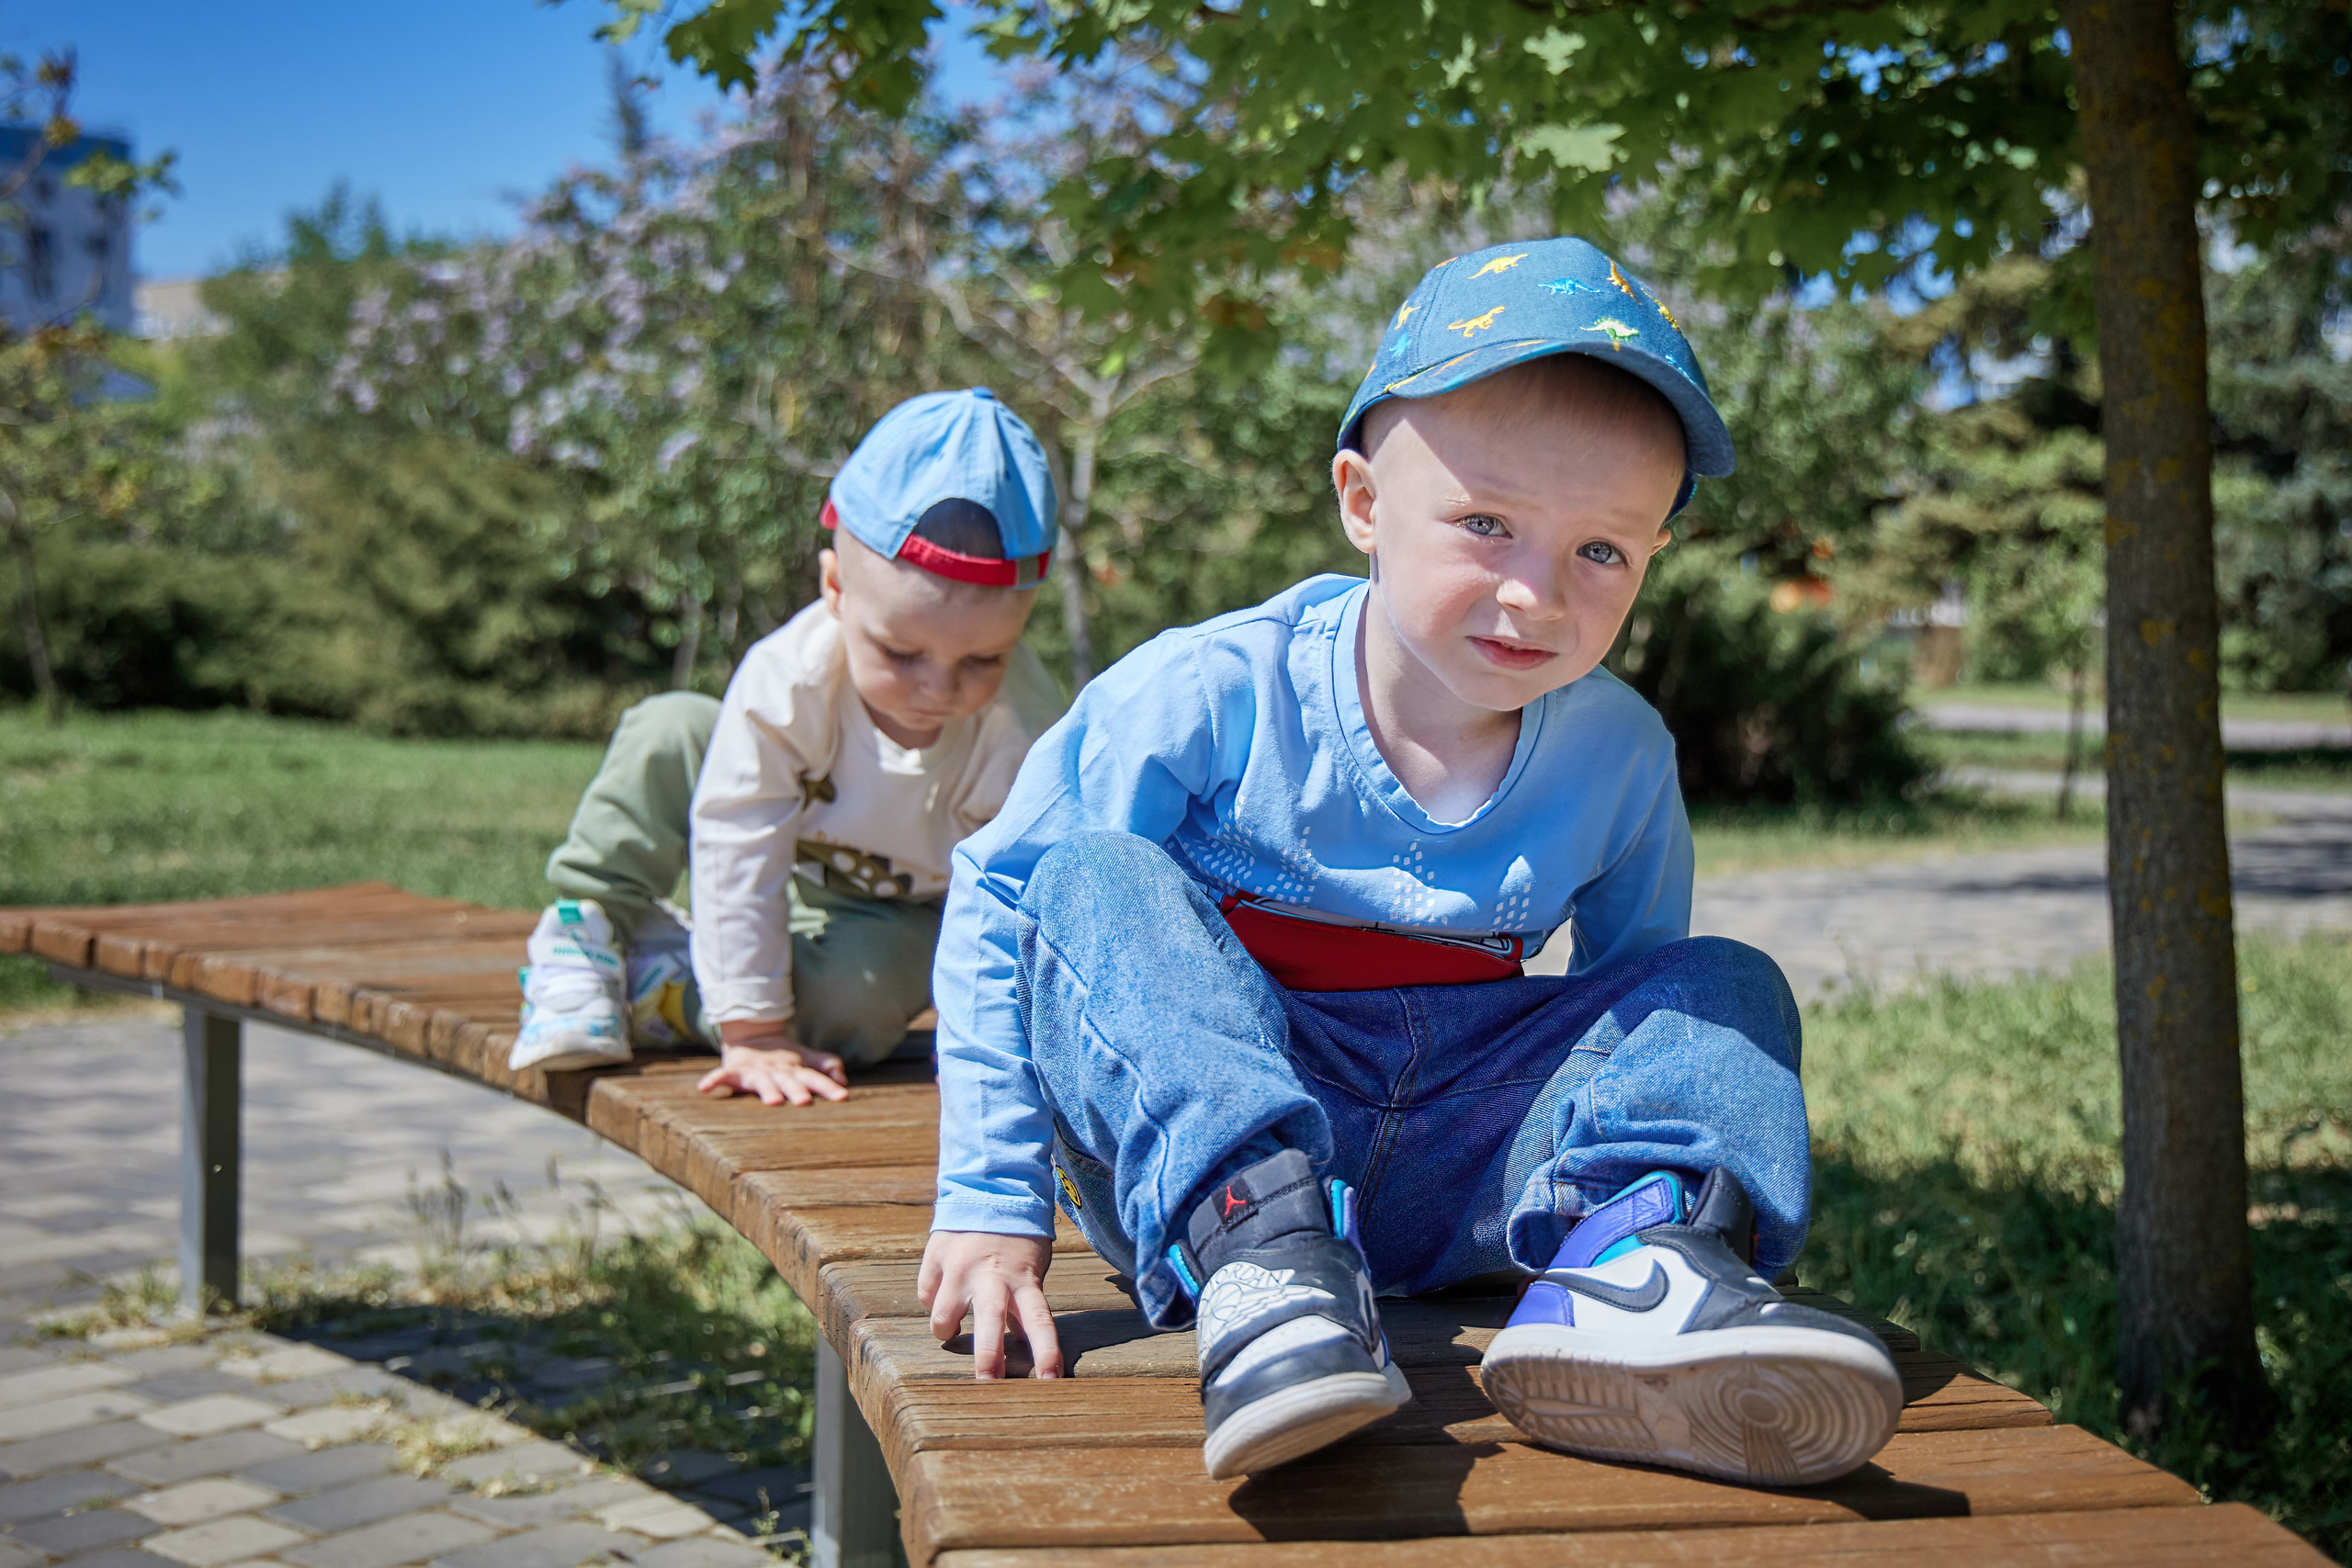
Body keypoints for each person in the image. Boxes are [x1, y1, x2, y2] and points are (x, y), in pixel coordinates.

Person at [917, 238, 1905, 1486]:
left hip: (1466, 1163)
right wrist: (995, 1199)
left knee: (1722, 985)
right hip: (1222, 1139)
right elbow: (1011, 905)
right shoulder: (1215, 689)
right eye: (1486, 522)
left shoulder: (1619, 754)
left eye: (1603, 551)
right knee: (1090, 875)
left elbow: (1642, 1024)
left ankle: (1628, 1274)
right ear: (1365, 502)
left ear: (1657, 551)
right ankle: (1271, 1269)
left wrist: (1655, 1134)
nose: (1537, 595)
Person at [512, 388, 1065, 1109]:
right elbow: (739, 833)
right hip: (779, 841)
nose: (939, 687)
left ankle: (667, 987)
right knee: (671, 727)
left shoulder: (1020, 732)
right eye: (901, 651)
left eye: (984, 660)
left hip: (898, 910)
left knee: (857, 1011)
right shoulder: (791, 678)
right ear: (836, 588)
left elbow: (1014, 908)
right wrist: (754, 1029)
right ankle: (589, 926)